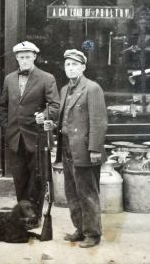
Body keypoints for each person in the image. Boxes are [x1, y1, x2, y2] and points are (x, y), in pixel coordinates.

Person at [44, 49, 107, 248]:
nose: (70, 68)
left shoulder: (92, 88)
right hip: (67, 150)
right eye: (67, 65)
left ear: (83, 67)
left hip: (86, 151)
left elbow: (98, 121)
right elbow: (66, 120)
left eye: (74, 64)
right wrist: (52, 126)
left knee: (87, 194)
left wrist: (95, 149)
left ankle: (93, 234)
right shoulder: (64, 90)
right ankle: (80, 229)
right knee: (72, 192)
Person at [0, 41, 60, 226]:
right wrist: (7, 127)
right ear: (16, 58)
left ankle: (35, 217)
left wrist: (44, 115)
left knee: (37, 180)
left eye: (28, 56)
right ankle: (22, 215)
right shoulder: (9, 79)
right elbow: (3, 106)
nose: (24, 60)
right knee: (20, 178)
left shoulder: (46, 78)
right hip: (15, 138)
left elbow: (55, 105)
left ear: (34, 57)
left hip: (36, 137)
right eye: (21, 57)